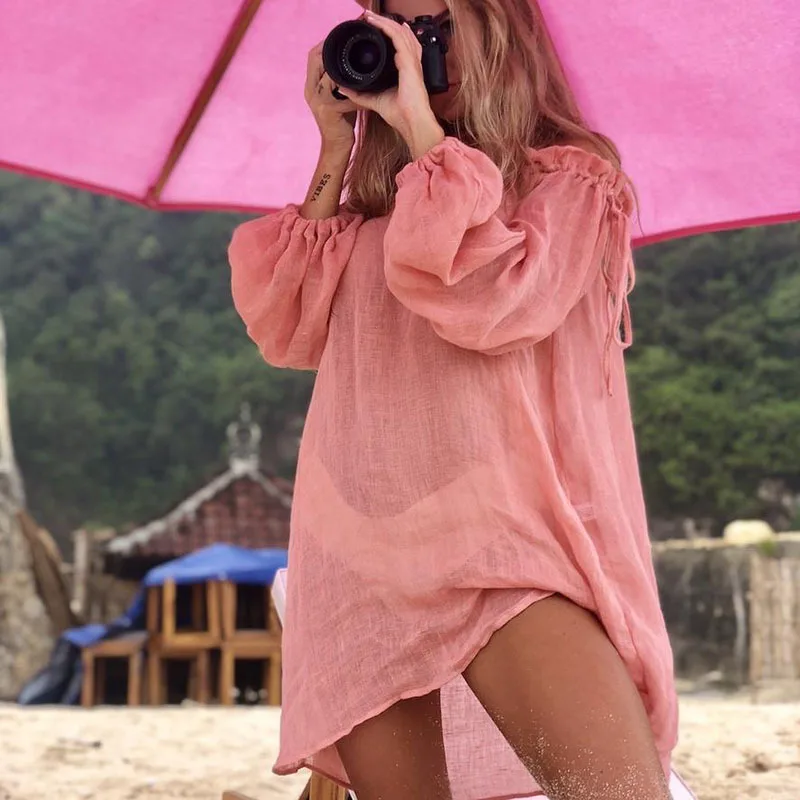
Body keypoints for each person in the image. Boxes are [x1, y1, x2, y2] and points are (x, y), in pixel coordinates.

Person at [228, 1, 680, 798]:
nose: (411, 48)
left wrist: (423, 134)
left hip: (509, 544)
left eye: (432, 25)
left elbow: (494, 301)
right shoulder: (374, 209)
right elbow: (283, 325)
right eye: (393, 28)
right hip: (360, 553)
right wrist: (337, 146)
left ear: (500, 28)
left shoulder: (572, 183)